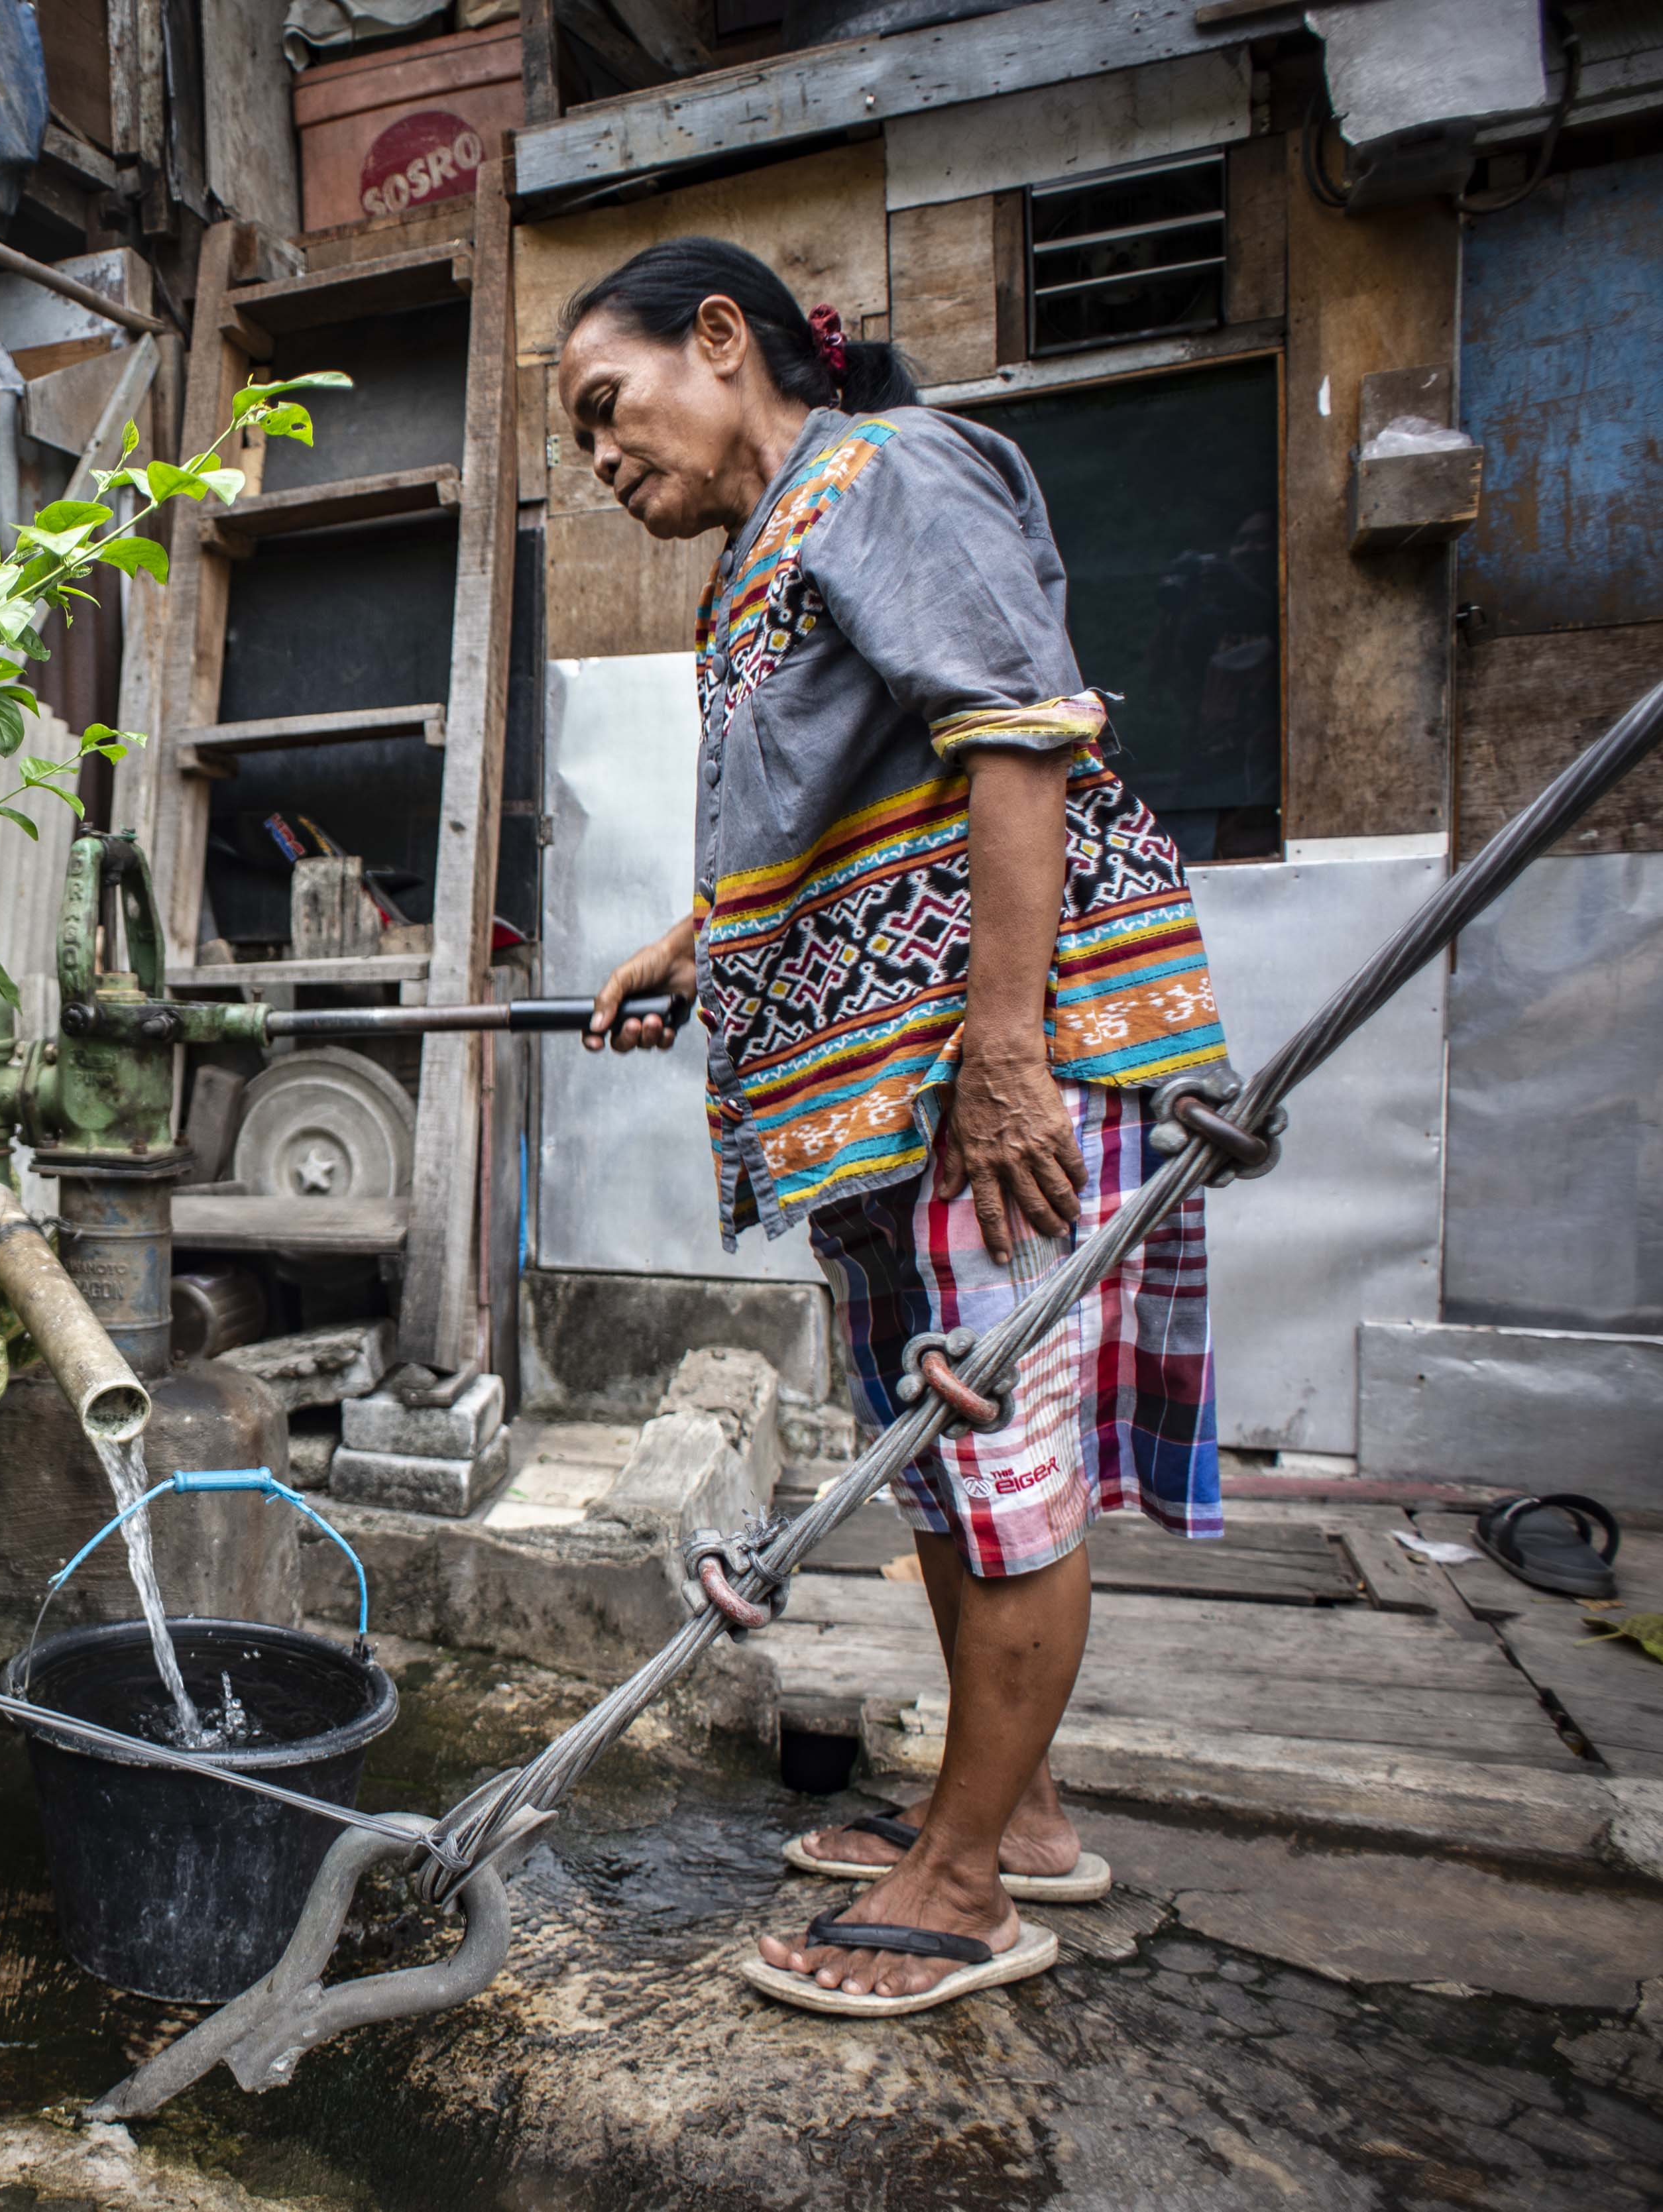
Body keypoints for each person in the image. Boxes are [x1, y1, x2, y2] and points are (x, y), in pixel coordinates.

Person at [555, 239, 1232, 2017]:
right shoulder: (769, 548)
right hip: (881, 1091)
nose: (604, 459)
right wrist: (695, 950)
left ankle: (962, 1885)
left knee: (999, 1458)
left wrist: (1006, 1047)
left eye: (606, 409)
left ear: (722, 340)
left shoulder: (885, 473)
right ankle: (1011, 1812)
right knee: (929, 1455)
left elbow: (1014, 736)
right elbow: (849, 792)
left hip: (974, 1070)